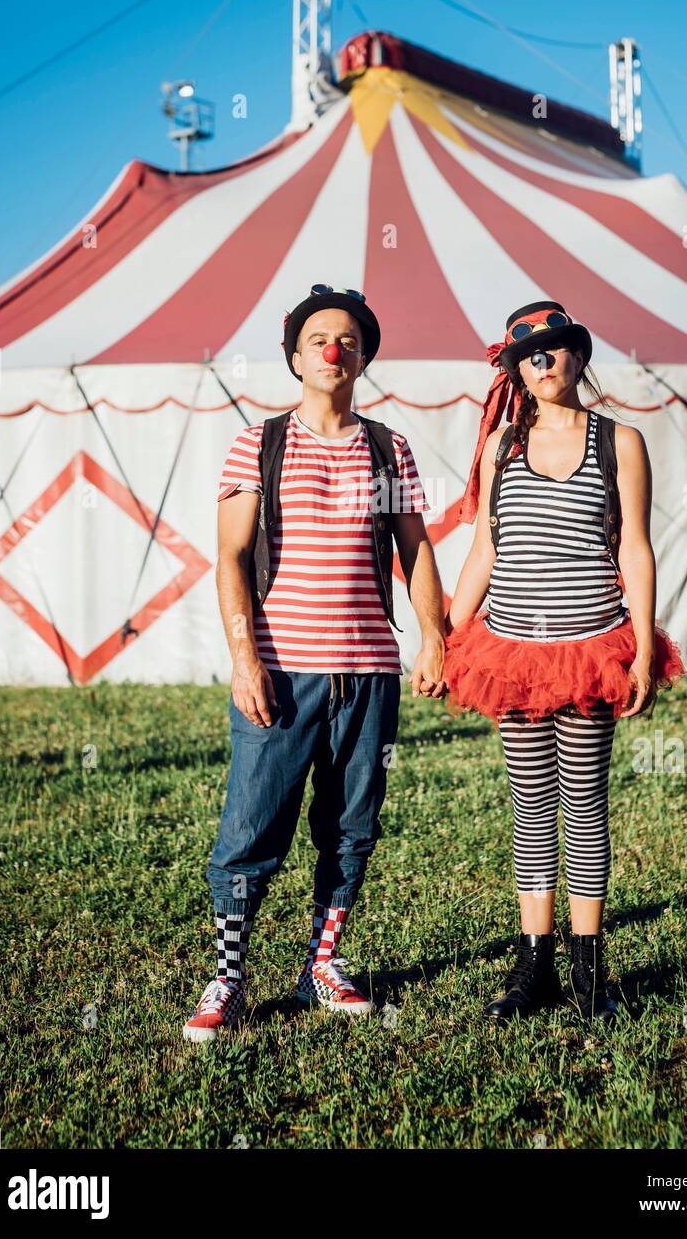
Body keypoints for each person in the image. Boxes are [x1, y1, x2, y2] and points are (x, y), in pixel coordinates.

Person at [183, 284, 447, 1041]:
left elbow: (415, 547)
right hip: (282, 670)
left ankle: (322, 965)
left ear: (364, 355)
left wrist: (434, 636)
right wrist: (245, 660)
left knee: (352, 826)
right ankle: (230, 978)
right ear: (295, 356)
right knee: (251, 828)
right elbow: (231, 557)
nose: (335, 350)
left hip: (368, 672)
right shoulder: (257, 442)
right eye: (320, 339)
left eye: (350, 340)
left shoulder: (386, 446)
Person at [443, 301, 685, 1023]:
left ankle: (589, 972)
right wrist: (449, 638)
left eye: (555, 351)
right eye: (529, 356)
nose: (542, 363)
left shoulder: (621, 441)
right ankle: (533, 967)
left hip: (589, 650)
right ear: (516, 369)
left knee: (582, 805)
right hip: (512, 652)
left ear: (578, 357)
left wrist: (643, 650)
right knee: (529, 809)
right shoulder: (500, 448)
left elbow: (634, 549)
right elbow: (485, 547)